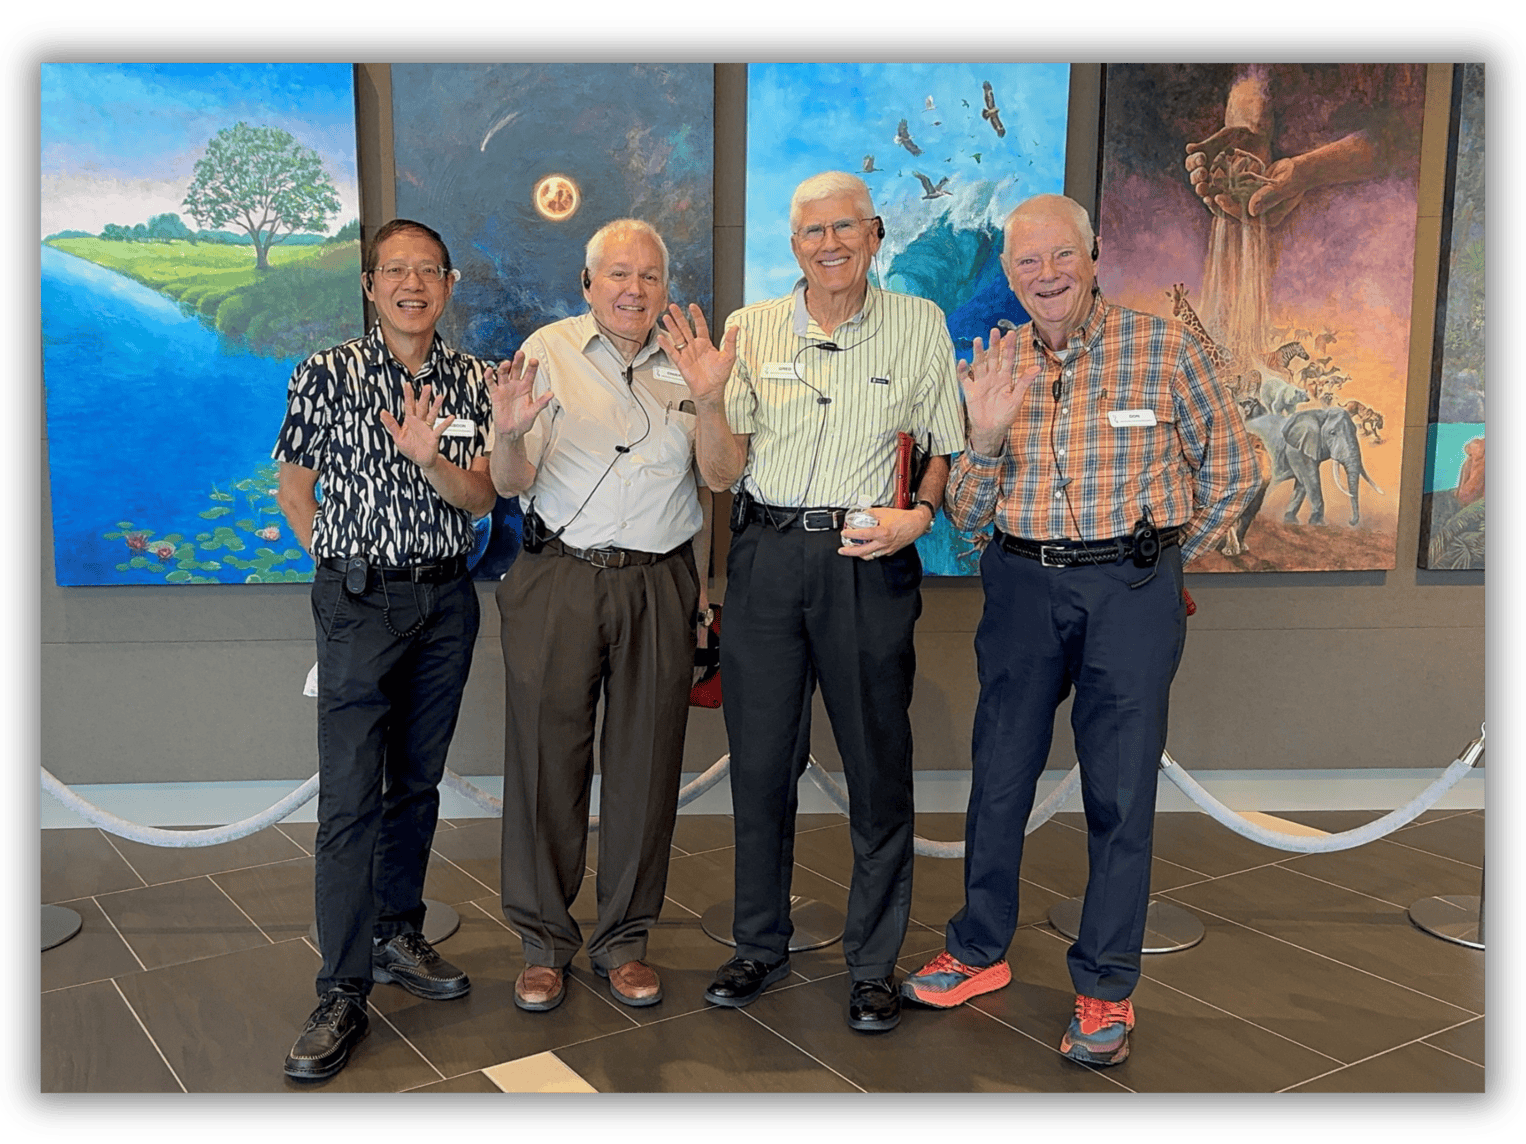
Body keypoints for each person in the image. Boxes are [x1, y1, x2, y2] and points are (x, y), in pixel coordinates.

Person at [899, 194, 1258, 1065]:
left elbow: (1237, 468)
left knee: (1121, 794)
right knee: (999, 779)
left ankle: (1105, 987)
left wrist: (1163, 563)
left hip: (1128, 588)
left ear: (1094, 257)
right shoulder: (995, 362)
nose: (1047, 275)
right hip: (1021, 587)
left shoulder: (1165, 349)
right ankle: (978, 949)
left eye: (1062, 255)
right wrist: (985, 439)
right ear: (1009, 273)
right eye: (1027, 261)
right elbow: (969, 519)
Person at [659, 171, 963, 1032]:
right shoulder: (749, 329)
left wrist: (921, 515)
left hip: (868, 557)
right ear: (793, 245)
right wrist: (710, 398)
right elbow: (721, 473)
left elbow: (942, 444)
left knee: (877, 763)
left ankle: (872, 964)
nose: (829, 244)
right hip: (766, 557)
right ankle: (758, 942)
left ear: (875, 235)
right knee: (760, 763)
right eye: (812, 232)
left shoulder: (920, 324)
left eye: (845, 228)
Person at [274, 219, 530, 1080]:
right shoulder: (325, 373)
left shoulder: (469, 379)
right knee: (349, 799)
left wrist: (427, 459)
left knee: (416, 784)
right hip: (358, 604)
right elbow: (295, 488)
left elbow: (480, 497)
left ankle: (395, 932)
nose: (412, 284)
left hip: (447, 600)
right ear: (371, 285)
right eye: (396, 270)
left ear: (450, 285)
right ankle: (341, 990)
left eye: (429, 270)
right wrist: (342, 571)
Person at [489, 219, 711, 1013]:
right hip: (560, 578)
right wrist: (506, 434)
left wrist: (713, 397)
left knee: (646, 765)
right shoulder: (547, 351)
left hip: (659, 580)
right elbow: (510, 481)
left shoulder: (691, 357)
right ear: (587, 284)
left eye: (649, 276)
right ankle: (543, 943)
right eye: (618, 274)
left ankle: (624, 940)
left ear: (665, 286)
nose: (633, 289)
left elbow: (715, 477)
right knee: (545, 761)